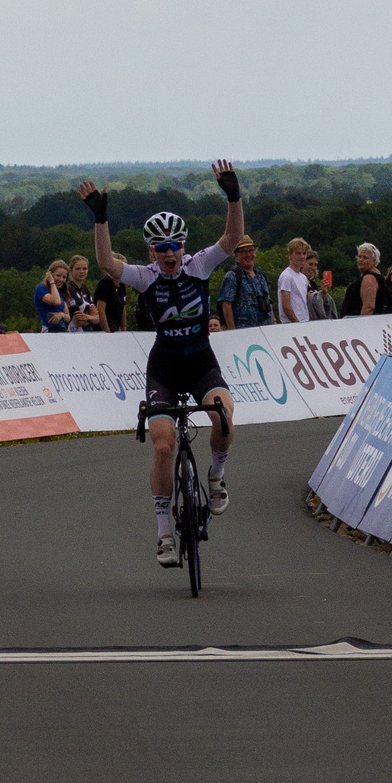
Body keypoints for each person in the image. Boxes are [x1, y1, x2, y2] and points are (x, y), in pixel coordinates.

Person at [79, 162, 242, 566]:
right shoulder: (144, 276)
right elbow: (106, 264)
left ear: (184, 247)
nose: (170, 255)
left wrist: (233, 196)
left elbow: (232, 237)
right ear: (152, 251)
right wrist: (101, 219)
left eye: (176, 246)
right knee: (164, 446)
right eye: (162, 248)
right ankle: (164, 533)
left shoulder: (198, 266)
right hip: (165, 368)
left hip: (201, 361)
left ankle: (217, 474)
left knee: (223, 417)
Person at [217, 238, 272, 330]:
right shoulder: (232, 276)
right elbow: (226, 305)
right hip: (244, 330)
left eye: (251, 251)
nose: (248, 255)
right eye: (243, 252)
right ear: (236, 254)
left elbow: (268, 299)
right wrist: (233, 331)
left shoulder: (261, 274)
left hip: (265, 328)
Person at [339, 242, 392, 318]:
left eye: (365, 258)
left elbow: (369, 307)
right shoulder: (377, 276)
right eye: (359, 257)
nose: (361, 260)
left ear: (374, 261)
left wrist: (361, 325)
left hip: (359, 324)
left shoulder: (369, 278)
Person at [278, 239, 313, 326]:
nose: (302, 257)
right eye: (298, 253)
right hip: (291, 325)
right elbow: (286, 306)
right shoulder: (286, 276)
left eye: (304, 253)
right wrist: (297, 324)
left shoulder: (303, 278)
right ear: (290, 255)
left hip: (304, 322)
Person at [65, 255, 103, 330]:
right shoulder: (69, 289)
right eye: (78, 269)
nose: (82, 271)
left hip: (86, 333)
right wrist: (92, 318)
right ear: (71, 270)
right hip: (72, 332)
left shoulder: (85, 289)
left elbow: (97, 317)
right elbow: (79, 321)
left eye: (84, 268)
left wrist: (88, 317)